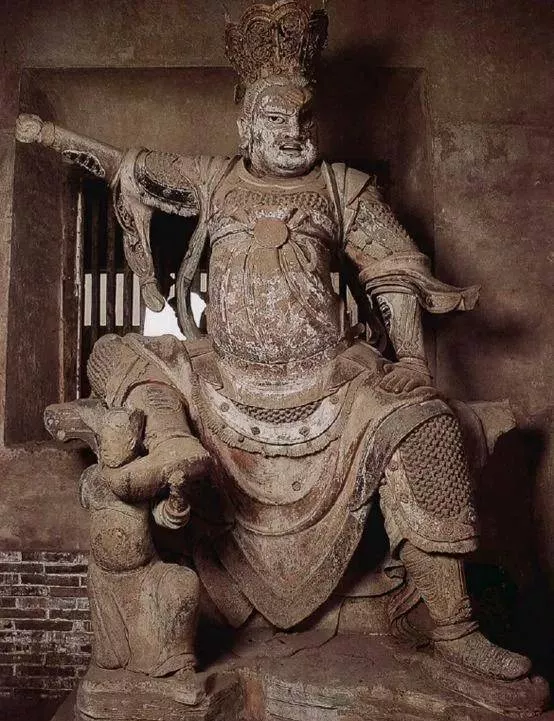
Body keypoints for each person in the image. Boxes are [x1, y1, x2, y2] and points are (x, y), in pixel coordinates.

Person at [17, 0, 532, 685]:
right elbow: (130, 167)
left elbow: (394, 272)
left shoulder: (343, 189)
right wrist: (54, 138)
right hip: (224, 379)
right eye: (274, 118)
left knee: (426, 424)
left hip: (330, 379)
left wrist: (410, 356)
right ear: (245, 126)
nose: (292, 132)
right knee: (116, 353)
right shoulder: (215, 179)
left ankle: (455, 628)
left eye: (302, 119)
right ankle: (170, 441)